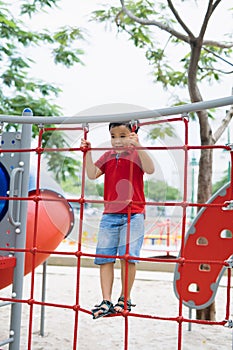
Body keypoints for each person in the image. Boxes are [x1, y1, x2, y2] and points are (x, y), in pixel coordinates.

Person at [80, 121, 154, 319]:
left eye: (123, 136)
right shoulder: (108, 156)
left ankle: (125, 297)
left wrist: (138, 145)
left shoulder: (137, 154)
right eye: (114, 136)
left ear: (133, 135)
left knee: (127, 257)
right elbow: (92, 174)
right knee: (105, 258)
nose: (117, 141)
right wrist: (87, 153)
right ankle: (106, 300)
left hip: (134, 213)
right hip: (110, 215)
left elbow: (151, 168)